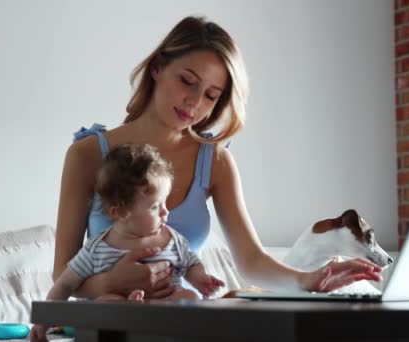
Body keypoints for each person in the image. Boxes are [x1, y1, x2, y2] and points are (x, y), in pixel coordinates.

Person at [53, 15, 383, 300]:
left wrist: (311, 279)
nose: (194, 102)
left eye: (211, 95)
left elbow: (251, 261)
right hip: (110, 323)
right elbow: (62, 275)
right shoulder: (87, 155)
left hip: (183, 318)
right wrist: (108, 283)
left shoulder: (216, 162)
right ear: (157, 67)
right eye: (187, 81)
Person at [32, 144, 224, 341]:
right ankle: (128, 311)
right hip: (121, 324)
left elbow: (191, 264)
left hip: (166, 312)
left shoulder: (172, 239)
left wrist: (202, 280)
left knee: (189, 298)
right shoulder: (97, 248)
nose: (166, 212)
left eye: (165, 203)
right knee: (104, 303)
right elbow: (65, 284)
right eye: (156, 206)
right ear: (121, 212)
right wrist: (43, 322)